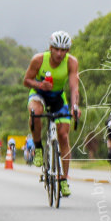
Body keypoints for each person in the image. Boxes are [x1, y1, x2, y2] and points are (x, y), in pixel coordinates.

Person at [23, 31, 81, 197]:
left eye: (63, 50)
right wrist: (41, 85)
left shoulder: (71, 62)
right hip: (39, 94)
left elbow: (73, 87)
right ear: (50, 48)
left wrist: (75, 106)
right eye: (56, 49)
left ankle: (63, 179)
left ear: (67, 51)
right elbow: (26, 81)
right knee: (36, 112)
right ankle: (38, 147)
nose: (59, 54)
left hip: (57, 97)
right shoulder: (39, 60)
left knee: (63, 136)